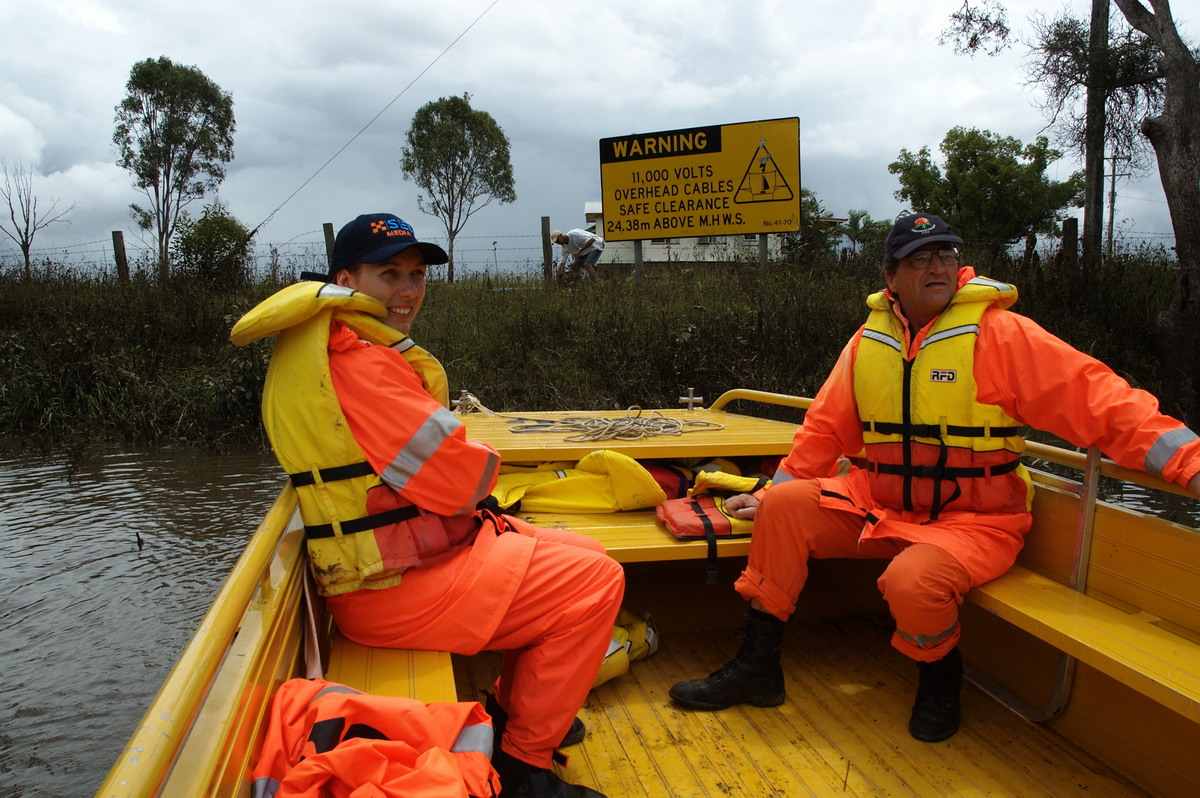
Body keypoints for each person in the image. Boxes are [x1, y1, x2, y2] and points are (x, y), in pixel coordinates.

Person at [668, 211, 1200, 743]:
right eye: (919, 257)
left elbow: (1103, 401)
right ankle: (758, 668)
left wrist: (1190, 464)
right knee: (784, 510)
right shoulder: (866, 343)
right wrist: (770, 495)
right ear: (891, 277)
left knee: (912, 581)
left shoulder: (1002, 335)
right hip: (877, 502)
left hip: (974, 521)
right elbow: (823, 430)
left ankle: (940, 680)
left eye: (946, 254)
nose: (936, 266)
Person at [232, 213, 623, 798]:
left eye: (417, 275)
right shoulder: (356, 361)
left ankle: (511, 713)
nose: (408, 291)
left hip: (404, 560)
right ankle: (524, 768)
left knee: (585, 550)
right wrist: (479, 457)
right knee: (594, 581)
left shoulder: (343, 345)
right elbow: (456, 481)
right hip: (389, 587)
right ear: (346, 278)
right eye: (389, 274)